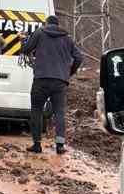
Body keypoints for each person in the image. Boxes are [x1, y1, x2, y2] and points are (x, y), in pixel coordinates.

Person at [21, 13, 83, 154]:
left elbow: (26, 50)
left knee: (36, 110)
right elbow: (79, 57)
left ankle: (37, 144)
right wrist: (69, 73)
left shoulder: (40, 32)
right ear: (58, 25)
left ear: (47, 23)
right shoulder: (67, 38)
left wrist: (23, 40)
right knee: (59, 112)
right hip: (60, 81)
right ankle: (60, 145)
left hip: (41, 79)